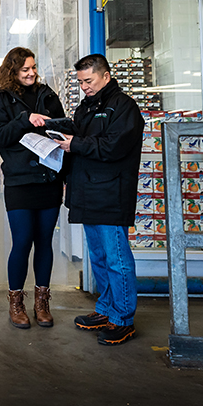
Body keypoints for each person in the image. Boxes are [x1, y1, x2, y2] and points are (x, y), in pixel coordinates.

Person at [52, 54, 145, 345]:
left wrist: (74, 144)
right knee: (100, 258)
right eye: (80, 82)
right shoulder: (85, 108)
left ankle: (123, 318)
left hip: (111, 194)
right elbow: (79, 146)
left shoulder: (124, 107)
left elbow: (113, 146)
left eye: (88, 81)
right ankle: (106, 309)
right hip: (88, 192)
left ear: (105, 75)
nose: (84, 87)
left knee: (117, 259)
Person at [0, 47, 67, 329]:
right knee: (22, 242)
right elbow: (1, 136)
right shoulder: (0, 100)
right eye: (25, 70)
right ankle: (16, 303)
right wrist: (25, 119)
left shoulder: (48, 95)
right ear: (12, 71)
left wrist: (57, 133)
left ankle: (42, 302)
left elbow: (64, 131)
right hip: (20, 182)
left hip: (49, 180)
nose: (31, 73)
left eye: (33, 67)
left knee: (44, 242)